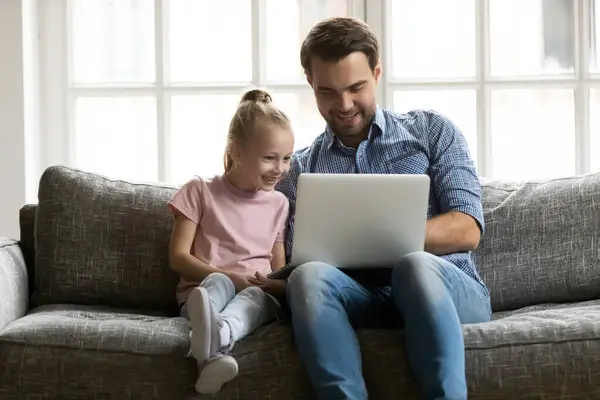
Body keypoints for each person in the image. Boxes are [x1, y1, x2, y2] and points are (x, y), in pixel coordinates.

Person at [274, 17, 492, 400]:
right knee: (307, 278)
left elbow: (466, 229)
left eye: (356, 87)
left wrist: (380, 237)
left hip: (445, 290)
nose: (343, 105)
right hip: (362, 298)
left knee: (415, 265)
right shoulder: (298, 171)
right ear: (311, 83)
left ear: (376, 73)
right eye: (328, 91)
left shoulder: (432, 132)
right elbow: (299, 257)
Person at [167, 89, 292, 395]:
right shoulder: (199, 190)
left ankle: (216, 339)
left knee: (256, 299)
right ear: (237, 152)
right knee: (218, 285)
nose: (280, 169)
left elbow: (279, 266)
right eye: (269, 158)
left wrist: (278, 285)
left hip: (254, 292)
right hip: (207, 290)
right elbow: (178, 257)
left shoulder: (279, 203)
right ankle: (210, 328)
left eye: (287, 159)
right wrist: (228, 277)